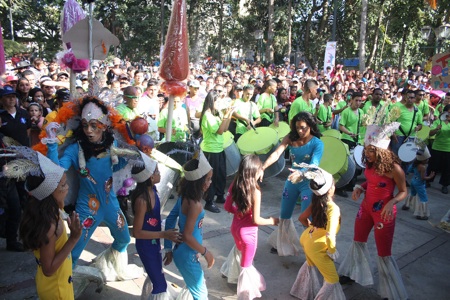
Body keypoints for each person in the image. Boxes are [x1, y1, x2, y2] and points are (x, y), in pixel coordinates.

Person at [46, 97, 142, 281]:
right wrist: (51, 144)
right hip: (87, 208)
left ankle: (110, 265)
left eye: (93, 125)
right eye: (84, 125)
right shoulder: (76, 149)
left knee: (123, 239)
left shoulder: (112, 145)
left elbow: (115, 166)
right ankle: (66, 283)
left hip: (111, 203)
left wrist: (134, 150)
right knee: (73, 253)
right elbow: (57, 170)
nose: (88, 130)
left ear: (104, 125)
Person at [338, 119, 409, 300]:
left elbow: (403, 191)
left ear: (381, 151)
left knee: (383, 252)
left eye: (371, 150)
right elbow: (371, 182)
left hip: (383, 213)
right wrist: (360, 187)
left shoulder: (395, 169)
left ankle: (390, 290)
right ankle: (352, 273)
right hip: (366, 208)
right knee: (357, 240)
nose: (367, 153)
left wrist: (391, 202)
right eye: (366, 148)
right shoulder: (370, 164)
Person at [4, 149, 82, 299]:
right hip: (56, 290)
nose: (67, 188)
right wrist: (73, 238)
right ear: (49, 192)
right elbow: (49, 269)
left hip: (54, 283)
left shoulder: (50, 212)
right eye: (63, 185)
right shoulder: (49, 225)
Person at [262, 112, 324, 256]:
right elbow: (277, 154)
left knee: (307, 218)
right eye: (297, 128)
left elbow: (314, 165)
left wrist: (301, 173)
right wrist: (263, 167)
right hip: (292, 181)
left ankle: (313, 249)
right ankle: (283, 244)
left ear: (310, 126)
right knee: (284, 214)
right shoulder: (290, 138)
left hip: (308, 183)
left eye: (303, 128)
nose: (299, 131)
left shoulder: (317, 143)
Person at [224, 155, 279, 300]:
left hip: (235, 229)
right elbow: (256, 220)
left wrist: (239, 213)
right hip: (249, 235)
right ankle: (245, 295)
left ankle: (232, 276)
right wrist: (273, 221)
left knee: (239, 254)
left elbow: (227, 206)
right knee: (246, 267)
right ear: (255, 172)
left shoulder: (235, 184)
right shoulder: (255, 192)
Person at [130, 152, 182, 299]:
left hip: (154, 243)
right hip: (146, 246)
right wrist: (163, 234)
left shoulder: (153, 190)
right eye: (158, 171)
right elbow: (137, 233)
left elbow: (153, 220)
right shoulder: (142, 200)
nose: (160, 173)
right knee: (160, 284)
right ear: (151, 178)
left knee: (157, 276)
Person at [164, 152, 215, 300]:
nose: (210, 182)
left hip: (184, 253)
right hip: (188, 256)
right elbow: (186, 236)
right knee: (201, 295)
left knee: (195, 289)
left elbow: (170, 219)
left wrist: (168, 248)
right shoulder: (195, 205)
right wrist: (207, 253)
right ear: (198, 181)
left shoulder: (184, 196)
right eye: (208, 179)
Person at [289, 165, 345, 300]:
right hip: (317, 246)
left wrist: (312, 230)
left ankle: (301, 291)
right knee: (332, 278)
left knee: (310, 264)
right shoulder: (333, 208)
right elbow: (330, 236)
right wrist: (332, 251)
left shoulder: (316, 201)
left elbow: (302, 218)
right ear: (331, 189)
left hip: (306, 238)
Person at [200, 90, 235, 213]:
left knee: (221, 174)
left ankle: (220, 196)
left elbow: (224, 129)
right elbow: (219, 131)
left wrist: (229, 114)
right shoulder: (207, 115)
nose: (219, 103)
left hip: (219, 148)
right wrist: (226, 115)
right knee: (211, 177)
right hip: (210, 150)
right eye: (217, 101)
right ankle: (209, 201)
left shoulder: (216, 114)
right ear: (211, 101)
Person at [402, 146, 435, 220]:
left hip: (413, 181)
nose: (428, 160)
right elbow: (423, 177)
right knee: (423, 198)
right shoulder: (423, 167)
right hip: (419, 183)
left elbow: (409, 170)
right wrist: (430, 176)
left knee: (413, 193)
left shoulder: (415, 164)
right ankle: (422, 214)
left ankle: (406, 205)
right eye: (426, 159)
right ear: (422, 160)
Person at [429, 104, 450, 194]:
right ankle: (428, 180)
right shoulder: (438, 121)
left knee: (447, 168)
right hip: (437, 147)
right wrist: (436, 129)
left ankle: (444, 185)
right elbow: (430, 133)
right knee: (433, 166)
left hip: (448, 149)